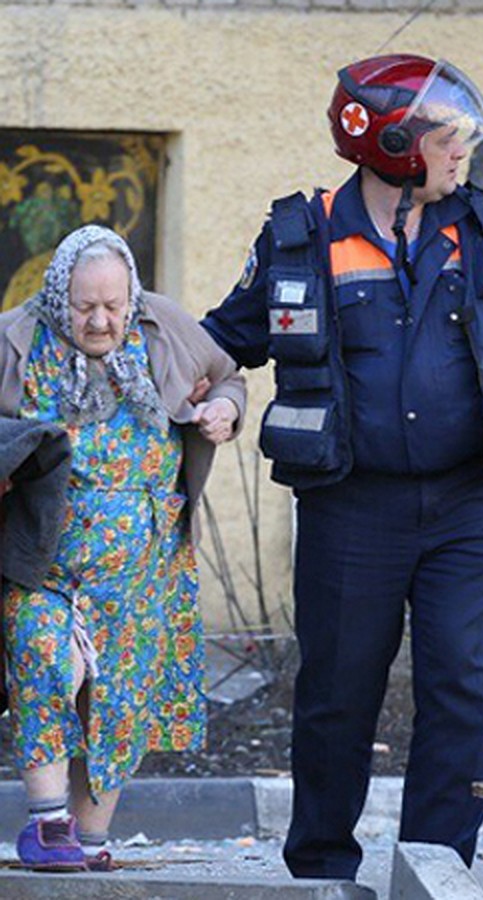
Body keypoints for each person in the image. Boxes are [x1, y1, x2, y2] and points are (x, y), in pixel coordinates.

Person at [200, 55, 483, 879]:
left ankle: (435, 866)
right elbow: (222, 340)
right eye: (446, 138)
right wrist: (148, 363)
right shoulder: (302, 234)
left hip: (468, 502)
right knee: (337, 694)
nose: (461, 152)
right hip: (349, 508)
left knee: (459, 684)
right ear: (391, 143)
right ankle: (322, 869)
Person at [0, 225, 245, 870]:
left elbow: (229, 378)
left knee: (118, 697)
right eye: (85, 308)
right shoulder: (16, 337)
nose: (102, 321)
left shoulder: (162, 324)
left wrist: (224, 409)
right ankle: (48, 823)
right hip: (43, 560)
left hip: (143, 565)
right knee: (44, 655)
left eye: (113, 306)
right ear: (61, 295)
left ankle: (90, 839)